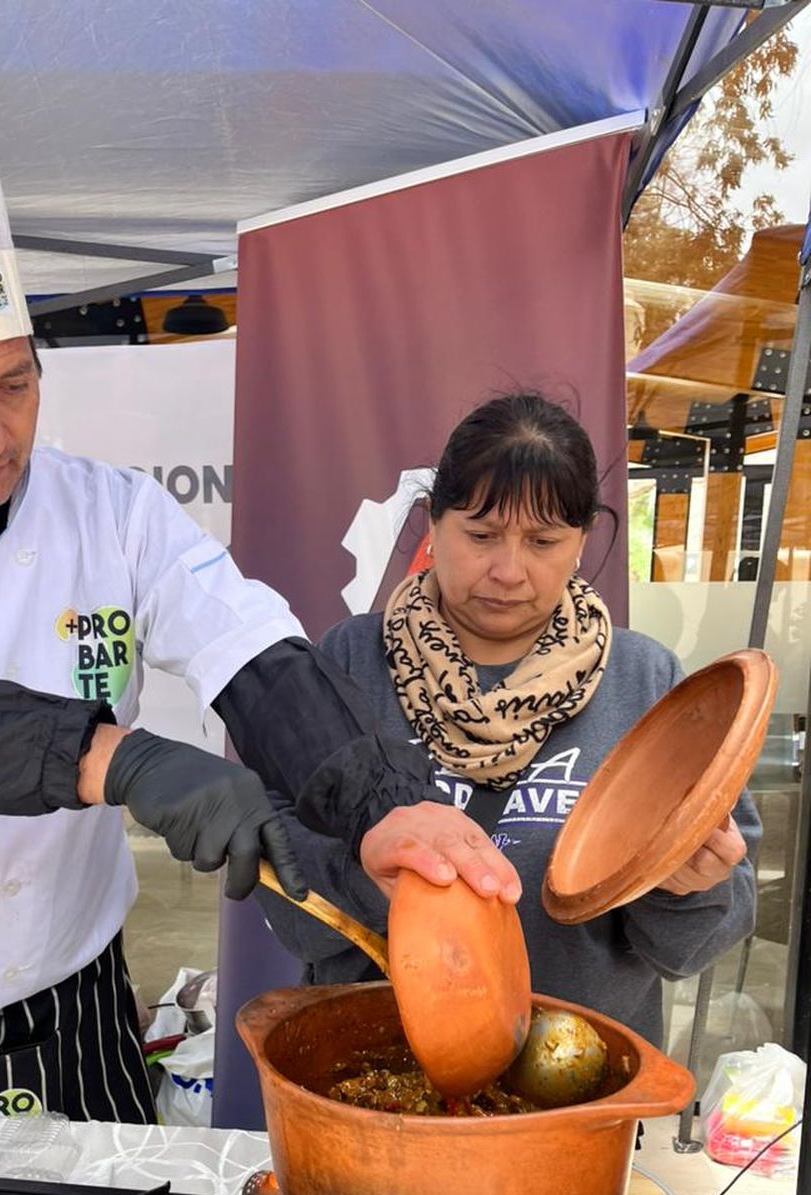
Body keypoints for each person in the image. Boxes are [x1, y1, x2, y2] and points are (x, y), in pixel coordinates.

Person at [0, 25, 513, 1121]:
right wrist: (116, 759)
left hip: (67, 996)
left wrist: (377, 805)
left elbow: (247, 644)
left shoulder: (112, 510)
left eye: (15, 383)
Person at [260, 392, 758, 1047]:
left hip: (578, 1070)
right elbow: (275, 855)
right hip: (371, 1059)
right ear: (433, 526)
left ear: (582, 543)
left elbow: (696, 941)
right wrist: (371, 876)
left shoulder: (648, 685)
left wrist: (686, 889)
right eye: (481, 534)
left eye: (543, 541)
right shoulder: (348, 663)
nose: (508, 571)